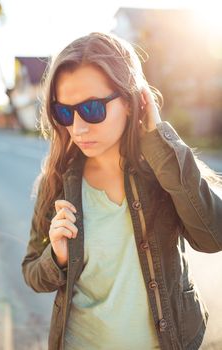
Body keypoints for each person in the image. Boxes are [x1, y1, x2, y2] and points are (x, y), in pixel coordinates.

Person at [22, 31, 222, 350]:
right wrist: (57, 256)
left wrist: (158, 136)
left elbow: (213, 236)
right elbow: (32, 272)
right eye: (64, 112)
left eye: (92, 109)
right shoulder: (58, 180)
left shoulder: (162, 168)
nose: (78, 127)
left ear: (131, 101)